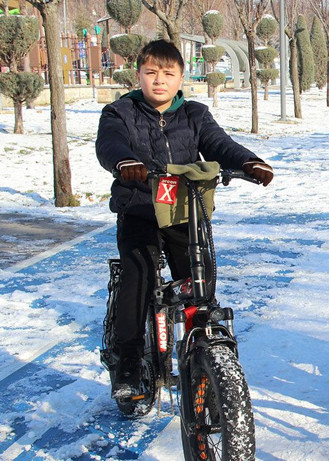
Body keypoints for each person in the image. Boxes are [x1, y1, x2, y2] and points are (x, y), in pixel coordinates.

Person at [96, 40, 273, 400]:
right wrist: (124, 162)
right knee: (139, 274)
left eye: (168, 73)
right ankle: (128, 359)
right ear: (139, 75)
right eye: (151, 72)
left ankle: (202, 347)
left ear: (180, 78)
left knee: (198, 281)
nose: (159, 80)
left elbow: (219, 144)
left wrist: (248, 161)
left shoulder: (195, 113)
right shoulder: (120, 112)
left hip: (184, 211)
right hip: (140, 208)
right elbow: (110, 144)